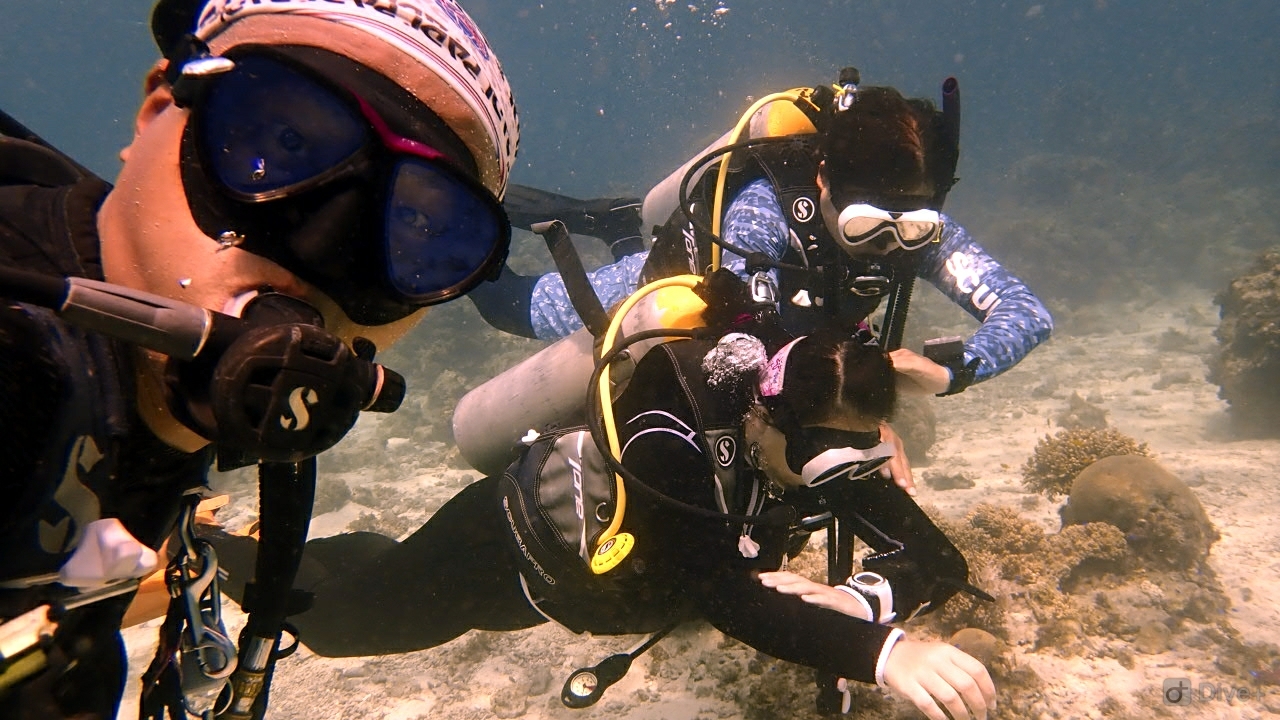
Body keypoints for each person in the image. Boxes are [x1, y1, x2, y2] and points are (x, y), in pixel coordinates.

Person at [0, 0, 517, 717]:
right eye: (278, 141)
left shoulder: (137, 398)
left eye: (418, 228)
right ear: (158, 113)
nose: (318, 248)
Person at [205, 325, 997, 720]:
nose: (840, 477)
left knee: (371, 574)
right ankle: (212, 550)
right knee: (345, 623)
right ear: (766, 415)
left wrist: (860, 599)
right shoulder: (668, 438)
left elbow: (935, 556)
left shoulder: (825, 439)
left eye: (857, 457)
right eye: (825, 457)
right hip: (510, 555)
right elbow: (726, 597)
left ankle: (328, 554)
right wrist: (881, 649)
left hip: (615, 583)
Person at [473, 70, 1053, 399]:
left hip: (798, 321)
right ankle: (465, 219)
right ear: (823, 179)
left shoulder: (923, 234)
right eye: (866, 225)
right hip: (683, 280)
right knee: (508, 306)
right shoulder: (765, 216)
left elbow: (1027, 313)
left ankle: (617, 223)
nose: (887, 244)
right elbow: (744, 346)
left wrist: (957, 368)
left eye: (912, 227)